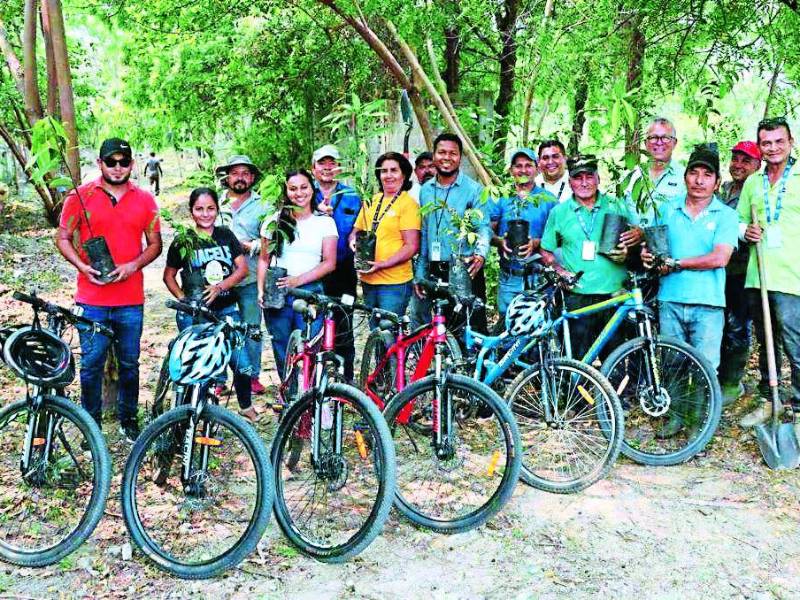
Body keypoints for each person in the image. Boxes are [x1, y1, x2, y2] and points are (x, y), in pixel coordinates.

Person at [55, 138, 162, 442]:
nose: (117, 168)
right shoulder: (81, 196)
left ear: (131, 164)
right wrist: (81, 266)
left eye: (123, 162)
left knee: (129, 363)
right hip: (92, 299)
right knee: (90, 365)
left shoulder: (145, 199)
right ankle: (92, 427)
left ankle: (129, 420)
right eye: (110, 162)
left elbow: (155, 244)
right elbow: (62, 237)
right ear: (100, 164)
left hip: (130, 299)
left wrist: (132, 266)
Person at [162, 187, 258, 422]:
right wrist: (183, 300)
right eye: (199, 209)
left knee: (242, 363)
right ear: (191, 211)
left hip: (226, 311)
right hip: (195, 315)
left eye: (210, 208)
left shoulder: (225, 235)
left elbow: (243, 269)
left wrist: (220, 287)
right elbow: (169, 276)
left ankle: (245, 406)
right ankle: (194, 411)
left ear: (217, 209)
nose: (205, 214)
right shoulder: (184, 240)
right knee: (197, 365)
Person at [641, 145, 738, 373]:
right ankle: (676, 410)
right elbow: (653, 247)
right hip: (670, 300)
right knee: (672, 366)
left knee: (705, 369)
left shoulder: (726, 215)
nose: (699, 180)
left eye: (707, 175)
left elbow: (720, 258)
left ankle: (704, 410)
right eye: (694, 173)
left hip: (708, 304)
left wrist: (677, 263)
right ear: (685, 177)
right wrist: (647, 255)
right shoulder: (666, 209)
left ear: (717, 182)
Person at [540, 154, 639, 359]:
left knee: (616, 362)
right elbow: (546, 251)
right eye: (578, 178)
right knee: (577, 362)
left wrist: (628, 250)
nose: (584, 183)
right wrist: (559, 271)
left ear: (598, 178)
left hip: (614, 296)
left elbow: (636, 241)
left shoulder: (616, 205)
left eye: (589, 176)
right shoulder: (560, 212)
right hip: (577, 296)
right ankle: (575, 392)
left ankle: (614, 392)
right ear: (570, 182)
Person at [737, 118, 800, 429]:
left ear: (790, 142)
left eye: (779, 141)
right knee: (767, 344)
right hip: (758, 276)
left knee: (796, 345)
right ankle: (769, 400)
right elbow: (736, 223)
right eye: (766, 143)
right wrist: (744, 231)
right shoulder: (753, 182)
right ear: (760, 147)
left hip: (793, 278)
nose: (773, 148)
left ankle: (799, 409)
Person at [257, 169, 338, 375]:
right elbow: (264, 259)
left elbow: (329, 263)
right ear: (285, 191)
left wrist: (297, 280)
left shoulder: (324, 222)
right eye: (293, 189)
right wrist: (260, 290)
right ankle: (289, 396)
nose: (299, 193)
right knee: (282, 344)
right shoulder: (273, 222)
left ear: (313, 189)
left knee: (310, 345)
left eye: (304, 187)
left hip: (310, 291)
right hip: (278, 291)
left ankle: (311, 398)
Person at [411, 132, 491, 333]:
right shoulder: (426, 190)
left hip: (465, 266)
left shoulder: (473, 190)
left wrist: (481, 253)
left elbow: (483, 226)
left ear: (460, 157)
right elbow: (426, 232)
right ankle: (445, 364)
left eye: (452, 153)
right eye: (442, 152)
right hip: (436, 267)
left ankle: (473, 365)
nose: (447, 158)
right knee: (443, 328)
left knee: (473, 327)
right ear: (434, 155)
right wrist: (420, 271)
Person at [214, 155, 268, 395]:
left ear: (252, 178)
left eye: (245, 173)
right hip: (220, 279)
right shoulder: (216, 204)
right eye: (235, 173)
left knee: (251, 327)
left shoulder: (263, 205)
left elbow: (270, 240)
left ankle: (252, 376)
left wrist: (248, 246)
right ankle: (219, 378)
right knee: (219, 327)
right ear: (228, 177)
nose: (240, 178)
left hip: (250, 276)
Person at [349, 152, 420, 325]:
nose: (388, 175)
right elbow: (356, 231)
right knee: (375, 332)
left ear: (404, 174)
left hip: (394, 282)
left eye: (393, 170)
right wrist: (353, 242)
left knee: (389, 332)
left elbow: (412, 246)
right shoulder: (372, 200)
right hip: (368, 279)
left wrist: (383, 264)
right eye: (383, 171)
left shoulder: (407, 204)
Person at [311, 144, 361, 382]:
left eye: (332, 163)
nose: (327, 168)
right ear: (313, 168)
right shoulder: (303, 193)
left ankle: (345, 377)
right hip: (313, 268)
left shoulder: (352, 195)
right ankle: (314, 377)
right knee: (314, 321)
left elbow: (358, 229)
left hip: (343, 269)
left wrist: (355, 239)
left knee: (343, 319)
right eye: (322, 163)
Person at [718, 141, 761, 405]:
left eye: (746, 161)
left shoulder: (755, 192)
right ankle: (718, 377)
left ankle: (732, 383)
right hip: (718, 270)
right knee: (721, 324)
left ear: (757, 165)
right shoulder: (723, 189)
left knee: (737, 327)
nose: (739, 165)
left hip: (742, 271)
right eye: (736, 159)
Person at [490, 148, 557, 313]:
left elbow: (559, 237)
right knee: (507, 329)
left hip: (539, 277)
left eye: (528, 165)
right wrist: (500, 241)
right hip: (509, 276)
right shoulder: (501, 197)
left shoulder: (548, 199)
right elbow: (487, 232)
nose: (523, 170)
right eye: (518, 166)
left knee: (539, 330)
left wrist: (537, 243)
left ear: (537, 169)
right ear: (511, 170)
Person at [624, 117, 687, 225]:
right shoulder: (630, 177)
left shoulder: (685, 178)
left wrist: (645, 234)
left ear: (674, 143)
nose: (659, 143)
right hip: (631, 242)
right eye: (653, 137)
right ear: (645, 143)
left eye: (665, 138)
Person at [536, 139, 572, 203]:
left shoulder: (576, 181)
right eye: (545, 158)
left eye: (555, 157)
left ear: (565, 158)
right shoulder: (533, 184)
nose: (550, 162)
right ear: (538, 161)